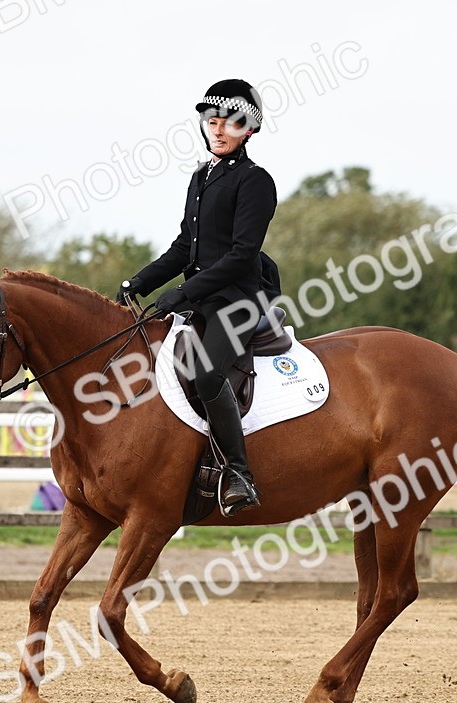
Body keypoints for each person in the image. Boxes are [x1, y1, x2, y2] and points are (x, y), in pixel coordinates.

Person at [116, 78, 277, 516]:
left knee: (207, 374)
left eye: (230, 122)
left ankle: (239, 473)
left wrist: (184, 291)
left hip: (239, 300)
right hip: (201, 298)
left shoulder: (255, 181)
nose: (218, 129)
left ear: (249, 129)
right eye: (212, 121)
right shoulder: (200, 177)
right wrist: (138, 282)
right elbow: (184, 247)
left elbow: (242, 255)